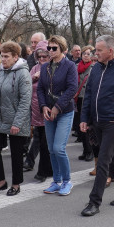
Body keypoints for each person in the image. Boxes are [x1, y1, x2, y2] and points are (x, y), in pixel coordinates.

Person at [79, 35, 114, 217]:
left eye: (99, 50)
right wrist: (84, 118)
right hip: (97, 121)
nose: (96, 54)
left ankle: (94, 201)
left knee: (103, 160)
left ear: (110, 51)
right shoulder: (95, 69)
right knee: (111, 159)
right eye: (95, 50)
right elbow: (88, 95)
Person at [0, 42, 31, 196]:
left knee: (16, 153)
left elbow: (25, 101)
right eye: (1, 56)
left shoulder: (23, 74)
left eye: (6, 56)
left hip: (17, 119)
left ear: (15, 57)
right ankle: (1, 182)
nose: (3, 59)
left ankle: (16, 184)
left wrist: (17, 123)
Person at [37, 35, 78, 195]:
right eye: (49, 48)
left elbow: (72, 88)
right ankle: (56, 180)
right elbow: (40, 88)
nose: (51, 51)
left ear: (62, 49)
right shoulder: (45, 67)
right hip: (48, 111)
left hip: (65, 112)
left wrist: (57, 107)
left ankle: (67, 181)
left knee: (59, 148)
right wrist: (44, 106)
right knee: (51, 149)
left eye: (54, 48)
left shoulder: (69, 66)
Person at [24, 47, 53, 181]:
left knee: (44, 141)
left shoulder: (51, 68)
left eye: (44, 57)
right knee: (38, 137)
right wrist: (33, 78)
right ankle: (37, 165)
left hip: (48, 108)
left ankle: (43, 170)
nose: (41, 59)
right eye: (39, 56)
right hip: (35, 107)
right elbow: (26, 84)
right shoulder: (35, 68)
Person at [74, 46, 96, 161]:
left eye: (88, 54)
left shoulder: (94, 67)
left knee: (86, 127)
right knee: (79, 127)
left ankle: (90, 151)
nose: (86, 56)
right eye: (84, 54)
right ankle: (85, 150)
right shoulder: (77, 67)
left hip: (88, 99)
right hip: (77, 99)